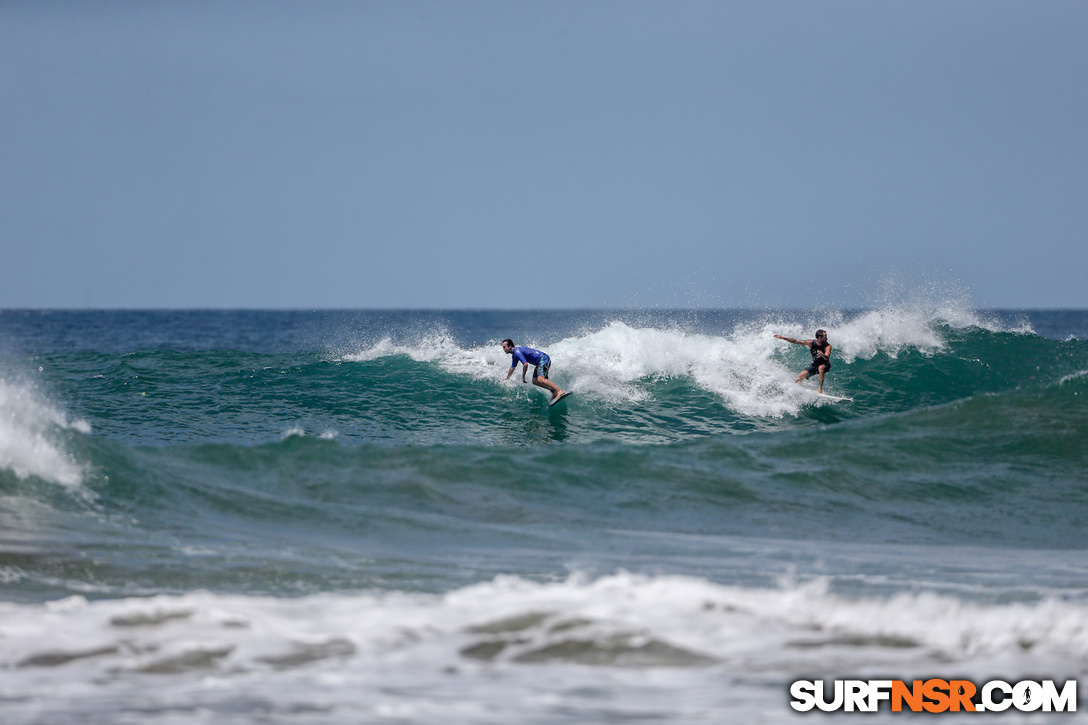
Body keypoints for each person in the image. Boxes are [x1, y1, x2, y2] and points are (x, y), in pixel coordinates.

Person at [501, 339, 567, 401]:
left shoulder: (517, 351)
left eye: (504, 347)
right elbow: (512, 367)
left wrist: (523, 377)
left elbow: (525, 364)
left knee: (540, 379)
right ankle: (553, 391)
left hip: (543, 359)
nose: (503, 349)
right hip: (539, 363)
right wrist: (507, 378)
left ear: (510, 346)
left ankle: (559, 391)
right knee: (535, 381)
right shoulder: (514, 356)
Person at [774, 329, 832, 393]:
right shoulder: (811, 343)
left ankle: (820, 389)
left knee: (821, 367)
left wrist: (823, 355)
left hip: (825, 365)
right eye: (825, 336)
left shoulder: (828, 346)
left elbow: (827, 357)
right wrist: (783, 338)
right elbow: (796, 341)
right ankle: (794, 386)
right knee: (802, 375)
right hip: (815, 365)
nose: (827, 338)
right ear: (820, 338)